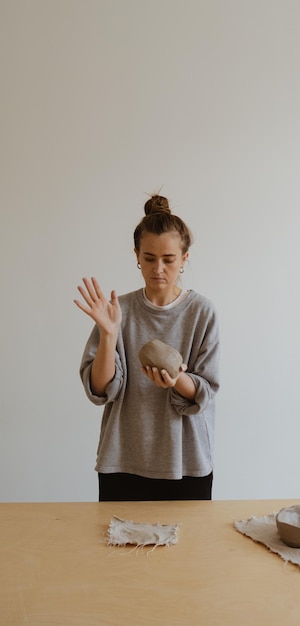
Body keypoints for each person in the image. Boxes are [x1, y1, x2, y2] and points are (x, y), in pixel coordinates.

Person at [74, 194, 220, 501]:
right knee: (119, 548)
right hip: (123, 460)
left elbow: (206, 390)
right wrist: (110, 334)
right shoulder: (118, 310)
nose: (158, 269)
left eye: (169, 259)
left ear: (184, 259)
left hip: (186, 462)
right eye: (149, 258)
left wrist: (176, 380)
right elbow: (100, 389)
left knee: (190, 549)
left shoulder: (202, 312)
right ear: (137, 255)